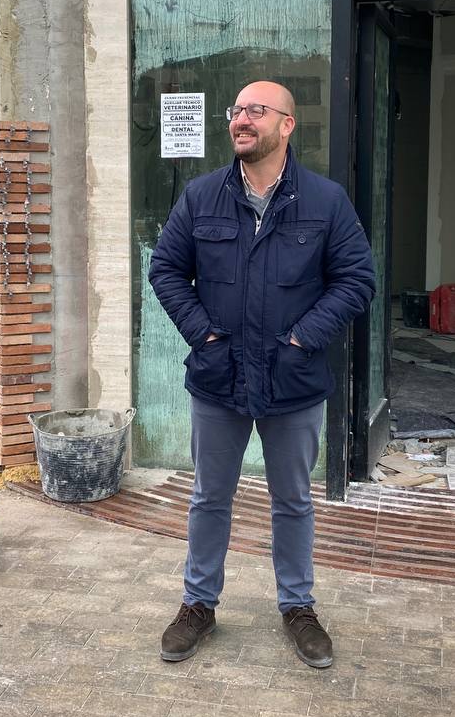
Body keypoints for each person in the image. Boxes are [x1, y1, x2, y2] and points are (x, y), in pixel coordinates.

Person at [148, 80, 375, 669]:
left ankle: (298, 606)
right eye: (236, 110)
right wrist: (204, 335)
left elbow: (357, 280)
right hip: (218, 377)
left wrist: (303, 338)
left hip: (292, 380)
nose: (241, 119)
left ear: (287, 124)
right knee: (209, 497)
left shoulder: (325, 201)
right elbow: (166, 269)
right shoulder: (202, 197)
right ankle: (198, 603)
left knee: (293, 500)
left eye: (256, 110)